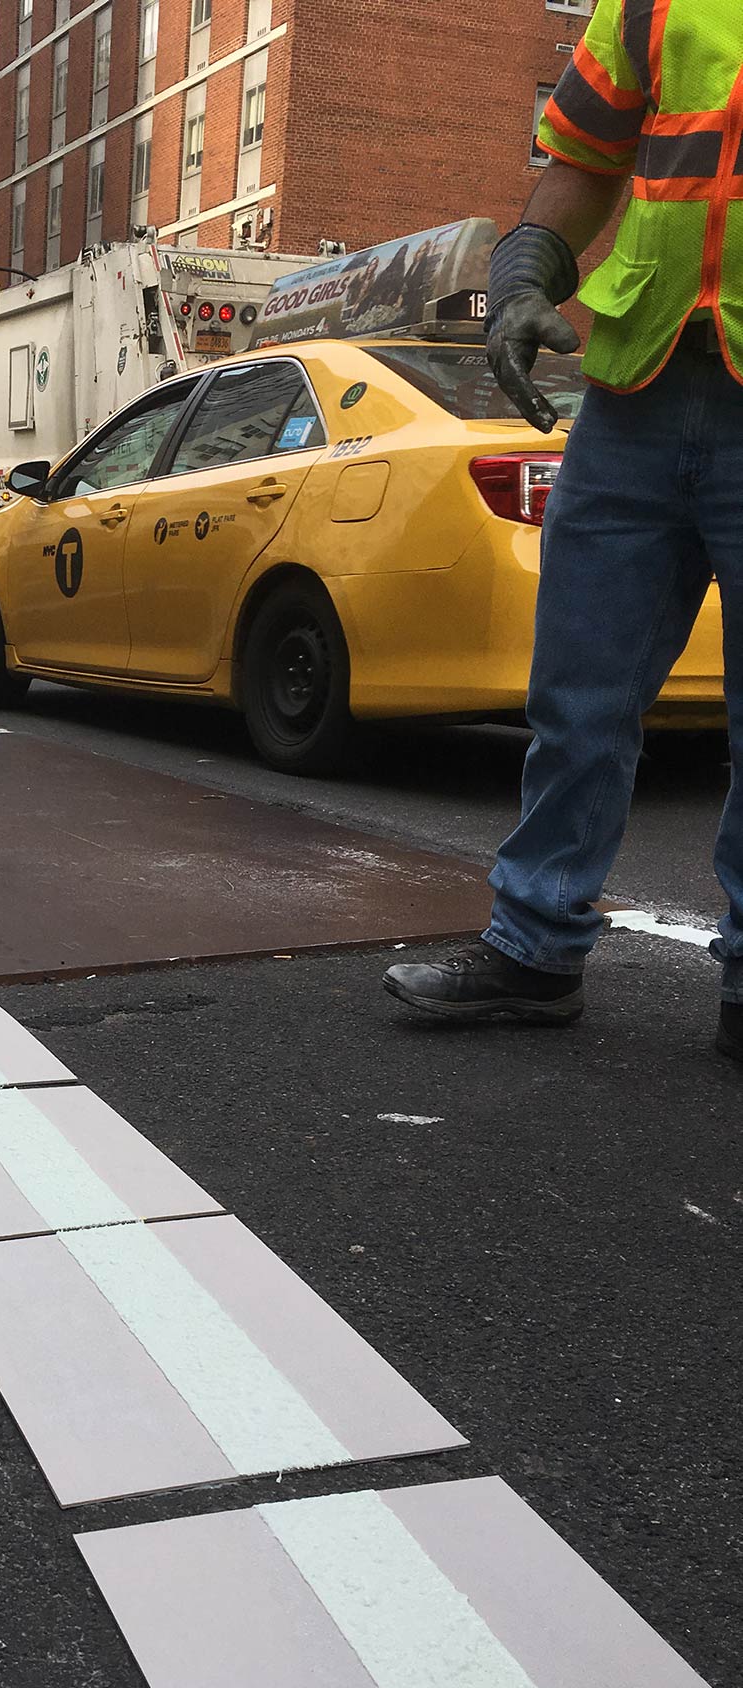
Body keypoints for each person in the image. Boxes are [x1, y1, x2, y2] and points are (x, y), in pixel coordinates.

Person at [385, 0, 743, 1061]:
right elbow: (585, 157)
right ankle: (534, 949)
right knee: (577, 693)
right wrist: (524, 279)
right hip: (634, 385)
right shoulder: (658, 4)